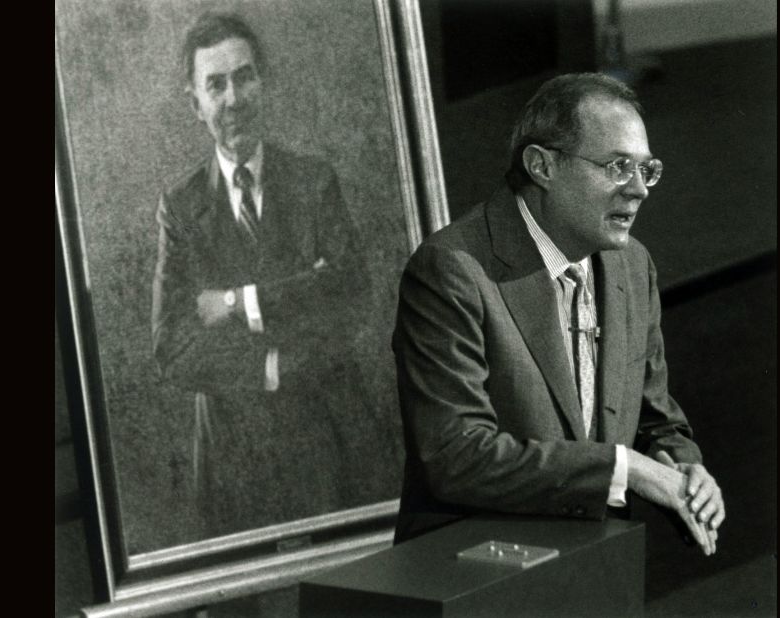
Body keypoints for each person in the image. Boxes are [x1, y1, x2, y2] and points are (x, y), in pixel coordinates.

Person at [392, 72, 725, 555]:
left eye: (645, 169)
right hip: (477, 575)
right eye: (616, 167)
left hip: (590, 570)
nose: (639, 190)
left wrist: (681, 465)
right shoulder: (452, 270)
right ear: (541, 166)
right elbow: (458, 456)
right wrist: (625, 468)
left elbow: (656, 419)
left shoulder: (632, 265)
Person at [151, 11, 381, 536]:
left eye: (244, 77)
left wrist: (236, 303)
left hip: (330, 437)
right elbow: (172, 348)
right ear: (196, 103)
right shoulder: (180, 209)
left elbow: (351, 298)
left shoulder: (313, 182)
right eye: (216, 85)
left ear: (263, 82)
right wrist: (274, 365)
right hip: (234, 458)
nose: (234, 99)